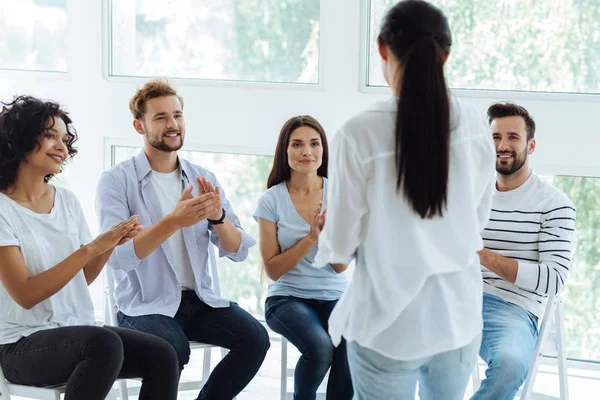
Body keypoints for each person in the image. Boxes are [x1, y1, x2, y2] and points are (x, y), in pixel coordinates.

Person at [313, 1, 497, 398]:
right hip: (457, 320)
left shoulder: (358, 134)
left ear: (381, 48)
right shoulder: (478, 127)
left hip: (386, 325)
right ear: (445, 54)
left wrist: (331, 238)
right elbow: (476, 224)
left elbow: (340, 249)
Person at [96, 78, 270, 400]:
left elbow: (238, 250)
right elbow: (118, 257)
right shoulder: (116, 182)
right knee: (169, 347)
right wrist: (173, 221)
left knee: (256, 338)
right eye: (160, 117)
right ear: (139, 126)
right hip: (144, 305)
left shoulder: (203, 177)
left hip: (198, 301)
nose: (173, 124)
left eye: (177, 115)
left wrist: (218, 218)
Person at [0, 95, 179, 400]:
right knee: (102, 343)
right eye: (49, 136)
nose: (62, 146)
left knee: (162, 354)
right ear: (20, 138)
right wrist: (92, 247)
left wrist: (109, 244)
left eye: (65, 138)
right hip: (20, 346)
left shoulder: (66, 201)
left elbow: (80, 280)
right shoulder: (4, 209)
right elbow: (26, 295)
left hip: (75, 333)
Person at [471, 102, 576, 400]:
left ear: (530, 146)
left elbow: (553, 279)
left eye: (513, 137)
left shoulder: (554, 204)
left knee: (510, 365)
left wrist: (481, 254)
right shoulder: (472, 194)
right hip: (454, 296)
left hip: (511, 307)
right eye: (495, 137)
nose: (502, 145)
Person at [254, 115, 353, 400]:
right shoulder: (271, 200)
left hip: (335, 295)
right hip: (287, 299)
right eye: (297, 144)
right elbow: (273, 270)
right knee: (321, 347)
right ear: (285, 152)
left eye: (314, 144)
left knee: (352, 340)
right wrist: (309, 237)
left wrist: (325, 237)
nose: (307, 152)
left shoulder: (340, 194)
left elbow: (340, 266)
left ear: (323, 150)